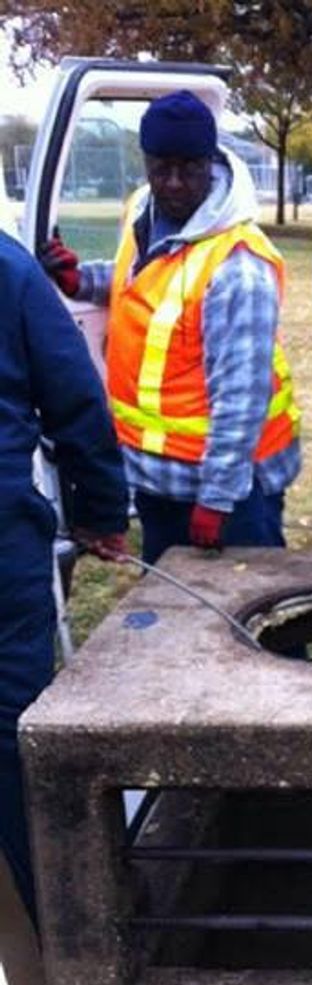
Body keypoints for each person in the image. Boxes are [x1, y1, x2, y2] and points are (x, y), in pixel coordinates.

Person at [40, 91, 300, 565]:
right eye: (162, 169)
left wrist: (217, 498)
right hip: (157, 478)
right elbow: (139, 280)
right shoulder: (144, 209)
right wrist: (83, 281)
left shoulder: (237, 267)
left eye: (189, 169)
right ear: (146, 163)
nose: (175, 183)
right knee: (172, 615)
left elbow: (240, 398)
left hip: (227, 490)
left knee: (249, 621)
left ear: (212, 163)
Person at [0, 231, 129, 926]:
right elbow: (75, 399)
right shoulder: (8, 267)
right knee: (8, 731)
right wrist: (102, 511)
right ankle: (50, 924)